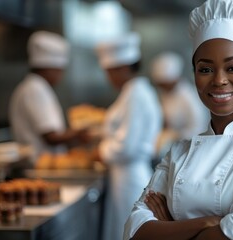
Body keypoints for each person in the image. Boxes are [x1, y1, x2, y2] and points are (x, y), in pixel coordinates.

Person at [123, 0, 233, 239]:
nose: (219, 80)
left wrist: (170, 226)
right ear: (194, 76)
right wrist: (208, 223)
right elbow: (134, 229)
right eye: (205, 69)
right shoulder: (179, 152)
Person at [94, 31, 163, 240]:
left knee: (129, 232)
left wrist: (100, 151)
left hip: (131, 178)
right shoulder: (133, 92)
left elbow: (127, 146)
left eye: (110, 71)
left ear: (123, 67)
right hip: (124, 177)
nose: (108, 78)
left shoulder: (136, 94)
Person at [9, 31, 88, 166]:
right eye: (60, 70)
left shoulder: (35, 87)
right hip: (39, 166)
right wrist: (80, 133)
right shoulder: (35, 89)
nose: (61, 76)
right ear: (50, 68)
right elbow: (51, 137)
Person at [150, 51, 209, 159]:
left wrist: (175, 135)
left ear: (173, 79)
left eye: (164, 84)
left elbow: (198, 128)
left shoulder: (189, 97)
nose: (162, 87)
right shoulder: (165, 94)